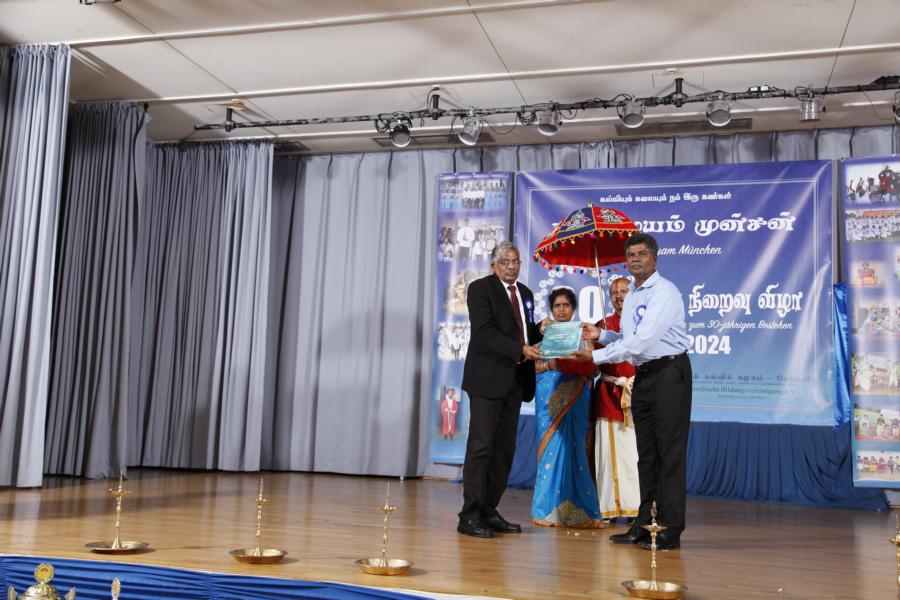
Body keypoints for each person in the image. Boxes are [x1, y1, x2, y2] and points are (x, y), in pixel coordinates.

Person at [569, 232, 691, 550]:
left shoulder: (664, 292)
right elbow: (626, 337)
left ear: (654, 258)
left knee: (669, 456)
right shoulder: (634, 292)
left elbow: (642, 341)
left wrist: (594, 357)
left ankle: (670, 528)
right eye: (631, 255)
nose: (635, 259)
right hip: (644, 375)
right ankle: (644, 522)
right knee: (646, 455)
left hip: (669, 374)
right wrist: (600, 334)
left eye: (641, 254)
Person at [458, 241, 544, 538]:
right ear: (493, 265)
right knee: (481, 447)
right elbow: (485, 334)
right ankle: (469, 515)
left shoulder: (526, 293)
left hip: (516, 380)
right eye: (505, 261)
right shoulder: (480, 289)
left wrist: (541, 330)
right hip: (487, 379)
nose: (511, 266)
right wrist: (520, 349)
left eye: (515, 261)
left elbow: (524, 332)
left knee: (504, 450)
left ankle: (489, 509)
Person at [531, 287, 603, 528]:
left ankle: (582, 511)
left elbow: (595, 369)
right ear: (551, 309)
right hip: (548, 397)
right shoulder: (543, 334)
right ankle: (546, 511)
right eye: (557, 305)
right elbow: (530, 366)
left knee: (577, 449)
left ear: (573, 308)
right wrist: (551, 365)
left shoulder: (584, 335)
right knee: (552, 448)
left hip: (577, 397)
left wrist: (582, 365)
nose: (561, 310)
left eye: (566, 305)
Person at [594, 276, 640, 522]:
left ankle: (637, 508)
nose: (619, 296)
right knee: (608, 455)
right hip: (609, 393)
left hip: (638, 395)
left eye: (624, 291)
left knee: (635, 454)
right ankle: (610, 507)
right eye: (614, 292)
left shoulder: (643, 322)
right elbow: (592, 362)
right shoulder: (601, 325)